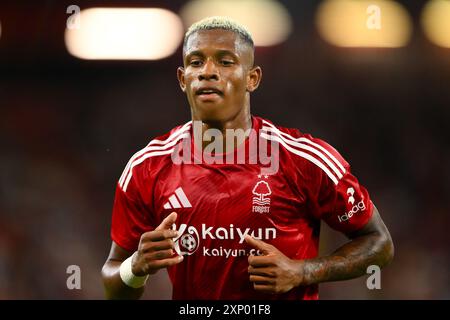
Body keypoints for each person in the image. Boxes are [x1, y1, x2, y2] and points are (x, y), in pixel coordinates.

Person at [101, 16, 394, 300]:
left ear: (252, 78)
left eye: (225, 62)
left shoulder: (305, 160)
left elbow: (379, 244)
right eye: (196, 62)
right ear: (182, 79)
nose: (208, 71)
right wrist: (135, 268)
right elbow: (114, 284)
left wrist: (303, 270)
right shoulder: (147, 166)